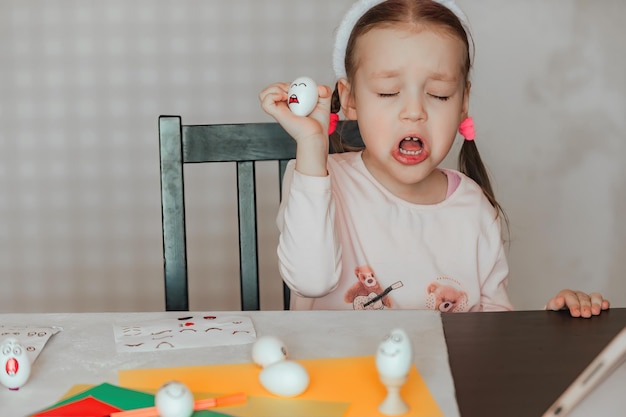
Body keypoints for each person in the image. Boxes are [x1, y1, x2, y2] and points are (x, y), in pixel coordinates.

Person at [259, 0, 609, 317]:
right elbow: (310, 282)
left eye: (439, 95)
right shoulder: (315, 178)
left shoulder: (474, 209)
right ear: (349, 100)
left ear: (463, 102)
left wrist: (557, 320)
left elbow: (497, 335)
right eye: (388, 92)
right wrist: (310, 145)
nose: (414, 112)